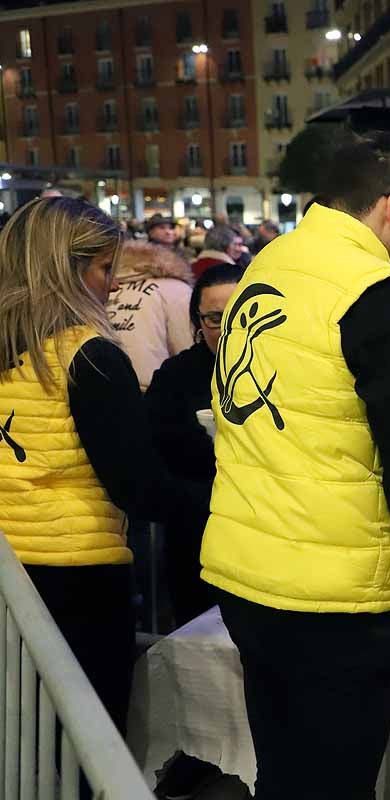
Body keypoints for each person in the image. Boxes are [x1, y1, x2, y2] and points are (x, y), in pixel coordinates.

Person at [199, 130, 390, 800]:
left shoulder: (267, 264)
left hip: (244, 575)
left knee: (283, 775)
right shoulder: (382, 298)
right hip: (329, 601)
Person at [0, 199, 207, 772]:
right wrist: (223, 503)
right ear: (67, 271)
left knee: (22, 753)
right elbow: (136, 486)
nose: (112, 287)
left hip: (10, 579)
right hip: (77, 580)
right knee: (85, 754)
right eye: (103, 270)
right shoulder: (87, 358)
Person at [146, 262, 245, 626]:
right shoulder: (176, 377)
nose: (227, 328)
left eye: (238, 314)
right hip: (198, 532)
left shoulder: (285, 372)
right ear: (198, 322)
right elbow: (159, 449)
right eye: (214, 318)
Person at [106, 239, 195, 391]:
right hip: (156, 389)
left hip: (103, 385)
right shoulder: (176, 290)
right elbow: (188, 350)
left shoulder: (102, 288)